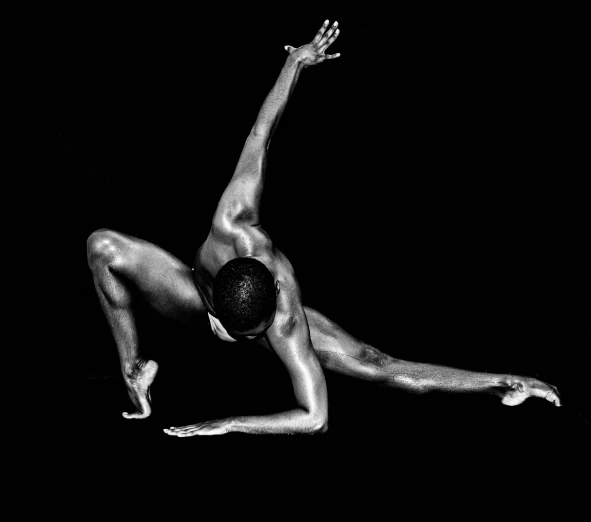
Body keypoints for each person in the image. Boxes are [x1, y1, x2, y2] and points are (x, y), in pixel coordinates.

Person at [86, 20, 561, 437]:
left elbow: (314, 418)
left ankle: (505, 384)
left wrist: (231, 423)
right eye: (241, 334)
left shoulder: (285, 319)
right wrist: (294, 61)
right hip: (195, 298)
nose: (246, 341)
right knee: (102, 246)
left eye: (254, 336)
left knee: (377, 365)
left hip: (224, 306)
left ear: (275, 293)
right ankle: (133, 371)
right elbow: (259, 133)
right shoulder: (232, 221)